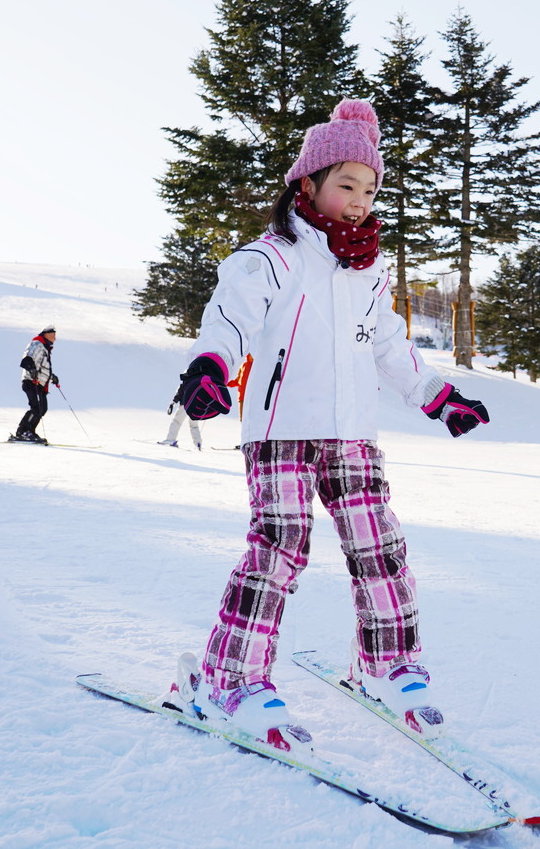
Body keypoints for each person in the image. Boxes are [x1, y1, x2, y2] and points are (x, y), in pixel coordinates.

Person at [172, 99, 489, 751]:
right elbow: (230, 314)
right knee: (280, 544)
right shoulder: (274, 257)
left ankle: (385, 664)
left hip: (352, 432)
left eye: (370, 189)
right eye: (347, 183)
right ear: (307, 183)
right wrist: (211, 366)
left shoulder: (366, 273)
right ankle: (229, 677)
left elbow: (390, 346)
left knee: (380, 544)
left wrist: (435, 394)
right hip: (282, 428)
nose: (359, 199)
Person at [14, 326, 59, 443]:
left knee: (42, 408)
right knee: (37, 407)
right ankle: (23, 432)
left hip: (39, 383)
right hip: (31, 381)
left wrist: (51, 377)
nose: (55, 339)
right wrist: (31, 368)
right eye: (53, 335)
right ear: (46, 334)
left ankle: (29, 431)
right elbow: (27, 358)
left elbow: (41, 366)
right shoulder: (37, 344)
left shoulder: (44, 348)